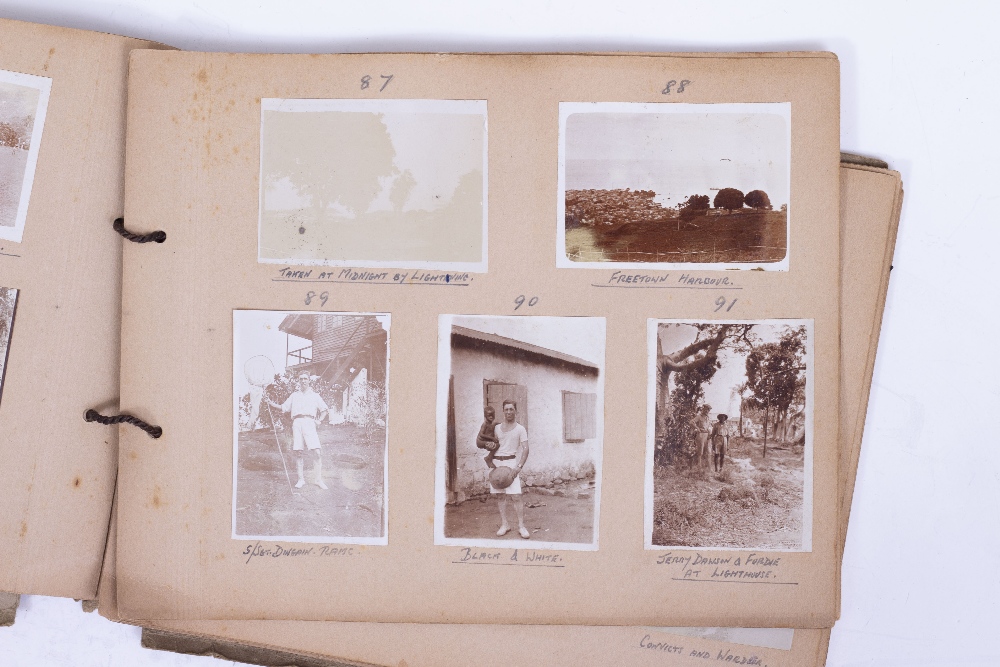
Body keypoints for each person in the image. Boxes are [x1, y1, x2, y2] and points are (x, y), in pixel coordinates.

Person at [268, 372, 330, 489]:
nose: (303, 381)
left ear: (309, 381)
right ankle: (301, 479)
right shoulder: (294, 395)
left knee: (317, 452)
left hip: (310, 422)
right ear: (299, 381)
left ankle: (318, 480)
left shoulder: (315, 396)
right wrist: (271, 403)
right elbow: (283, 407)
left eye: (305, 378)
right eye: (301, 379)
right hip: (297, 423)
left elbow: (325, 409)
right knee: (298, 452)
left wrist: (319, 421)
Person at [491, 399, 530, 539]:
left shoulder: (520, 429)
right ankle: (504, 524)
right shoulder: (496, 428)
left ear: (515, 411)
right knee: (500, 495)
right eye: (506, 409)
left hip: (511, 464)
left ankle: (521, 526)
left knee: (516, 496)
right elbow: (491, 446)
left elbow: (526, 449)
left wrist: (518, 467)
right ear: (503, 411)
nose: (508, 412)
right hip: (497, 464)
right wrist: (491, 464)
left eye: (511, 409)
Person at [690, 405, 712, 470]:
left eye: (708, 410)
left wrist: (710, 431)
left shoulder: (708, 417)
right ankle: (699, 468)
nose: (707, 411)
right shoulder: (699, 417)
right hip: (701, 435)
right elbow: (691, 422)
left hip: (707, 435)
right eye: (706, 409)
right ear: (703, 409)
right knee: (700, 452)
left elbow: (709, 426)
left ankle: (709, 468)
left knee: (708, 452)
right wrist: (697, 428)